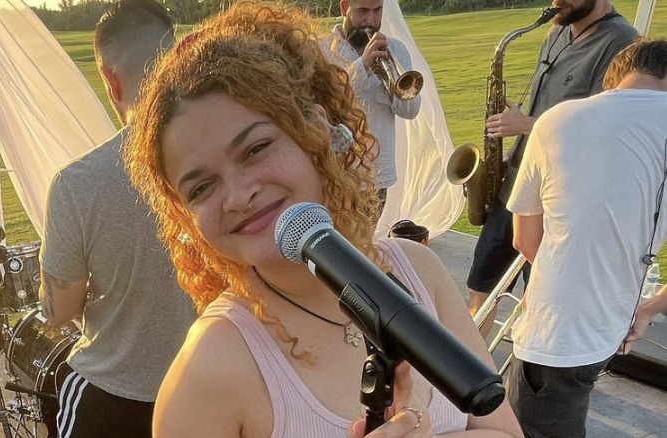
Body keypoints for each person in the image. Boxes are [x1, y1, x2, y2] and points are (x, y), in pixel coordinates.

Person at [124, 2, 523, 437]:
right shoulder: (210, 369)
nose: (239, 196)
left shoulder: (417, 270)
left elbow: (504, 430)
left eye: (256, 148)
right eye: (201, 188)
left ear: (313, 131)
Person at [38, 1, 194, 437]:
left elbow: (58, 312)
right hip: (208, 382)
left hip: (114, 396)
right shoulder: (226, 161)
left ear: (109, 78)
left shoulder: (77, 184)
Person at [506, 39, 667, 438]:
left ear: (612, 81)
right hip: (614, 325)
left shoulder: (555, 119)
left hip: (555, 333)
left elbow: (525, 240)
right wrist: (648, 308)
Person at [466, 0, 638, 333]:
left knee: (539, 301)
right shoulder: (556, 30)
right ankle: (469, 374)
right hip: (517, 184)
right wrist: (510, 153)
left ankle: (524, 378)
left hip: (557, 199)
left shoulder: (622, 43)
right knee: (480, 287)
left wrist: (526, 124)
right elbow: (545, 103)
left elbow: (599, 125)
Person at [319, 0, 421, 210]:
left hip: (378, 176)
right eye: (362, 11)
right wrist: (361, 67)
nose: (371, 20)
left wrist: (391, 77)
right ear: (344, 8)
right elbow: (327, 103)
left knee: (367, 242)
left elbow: (410, 112)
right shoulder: (321, 49)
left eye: (377, 11)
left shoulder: (396, 49)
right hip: (336, 174)